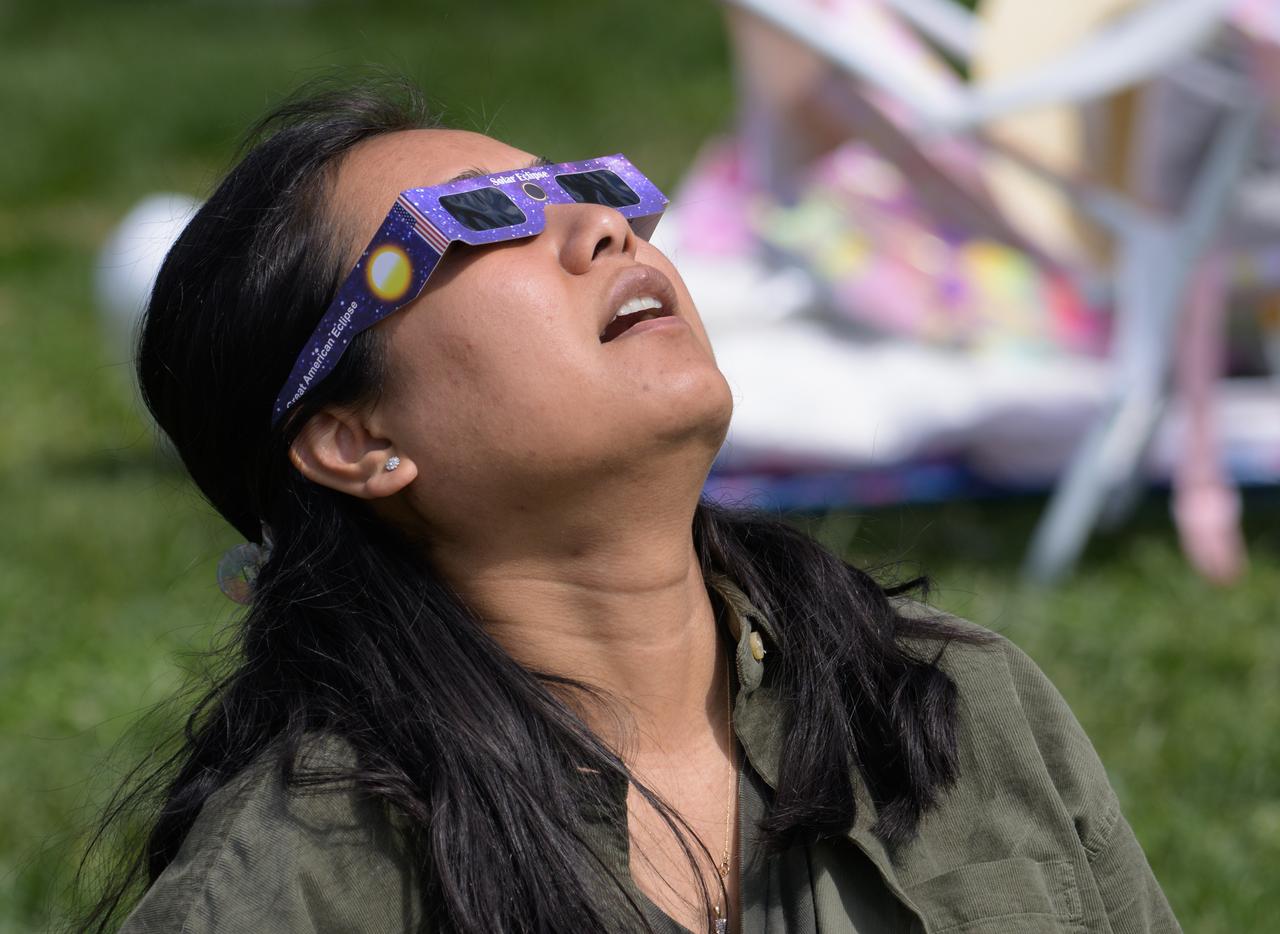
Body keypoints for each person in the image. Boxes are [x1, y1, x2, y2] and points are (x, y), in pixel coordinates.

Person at [82, 78, 1179, 933]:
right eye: (475, 221)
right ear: (358, 440)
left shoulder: (951, 708)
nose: (602, 231)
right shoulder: (303, 876)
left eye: (593, 193)